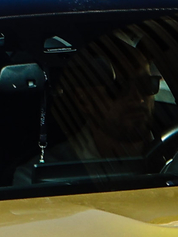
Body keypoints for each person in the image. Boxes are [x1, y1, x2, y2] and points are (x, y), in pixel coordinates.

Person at [47, 34, 165, 164]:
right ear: (83, 101)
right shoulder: (49, 174)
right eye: (119, 87)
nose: (138, 99)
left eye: (146, 84)